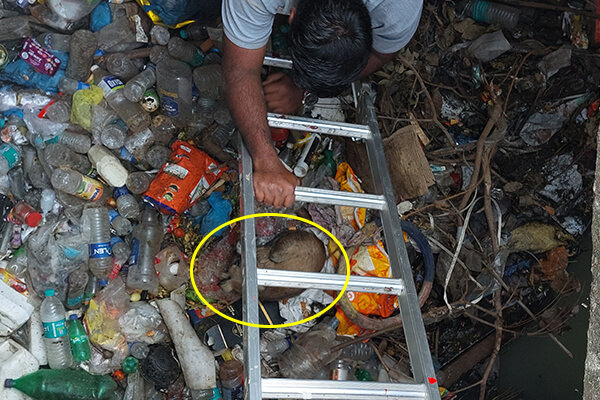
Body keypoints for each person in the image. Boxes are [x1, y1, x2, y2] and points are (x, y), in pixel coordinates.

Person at [222, 0, 423, 208]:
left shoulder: (398, 11)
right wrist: (265, 160)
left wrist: (302, 87)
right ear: (291, 16)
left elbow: (381, 54)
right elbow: (240, 71)